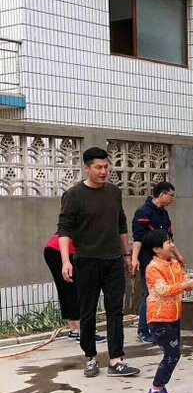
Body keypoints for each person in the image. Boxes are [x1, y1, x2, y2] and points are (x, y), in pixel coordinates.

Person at [57, 146, 140, 378]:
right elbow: (64, 229)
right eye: (98, 167)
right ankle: (91, 358)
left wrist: (127, 256)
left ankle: (116, 360)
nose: (103, 172)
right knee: (88, 311)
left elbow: (121, 224)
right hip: (86, 261)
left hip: (113, 261)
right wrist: (66, 261)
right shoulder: (74, 195)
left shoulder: (114, 192)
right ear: (87, 168)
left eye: (106, 167)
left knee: (115, 310)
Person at [142, 230, 193, 393]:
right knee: (172, 354)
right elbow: (163, 290)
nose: (172, 245)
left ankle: (159, 388)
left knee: (174, 354)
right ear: (156, 249)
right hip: (159, 318)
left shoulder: (175, 264)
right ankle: (156, 389)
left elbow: (184, 282)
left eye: (171, 241)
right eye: (168, 242)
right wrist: (185, 284)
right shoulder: (153, 268)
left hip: (173, 316)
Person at [131, 182, 184, 344]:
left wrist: (178, 256)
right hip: (149, 260)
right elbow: (138, 238)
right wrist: (134, 259)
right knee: (150, 294)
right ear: (162, 194)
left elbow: (169, 239)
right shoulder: (143, 212)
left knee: (164, 293)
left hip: (164, 261)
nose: (173, 198)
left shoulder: (164, 214)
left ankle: (160, 329)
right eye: (171, 195)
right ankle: (143, 330)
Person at [43, 234, 106, 343]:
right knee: (73, 290)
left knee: (65, 289)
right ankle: (84, 332)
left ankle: (74, 329)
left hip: (52, 248)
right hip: (62, 251)